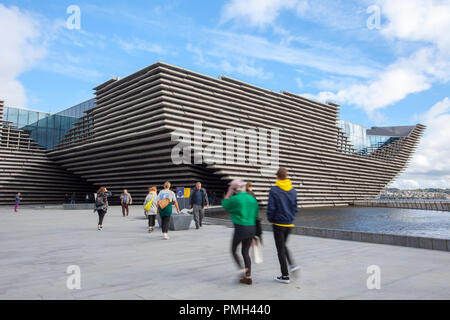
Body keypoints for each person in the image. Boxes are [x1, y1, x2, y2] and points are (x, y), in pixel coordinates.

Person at [222, 179, 259, 285]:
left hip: (241, 228)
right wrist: (256, 234)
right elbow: (256, 217)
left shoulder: (235, 198)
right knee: (245, 252)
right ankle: (248, 277)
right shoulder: (252, 199)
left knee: (233, 250)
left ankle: (241, 270)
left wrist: (229, 192)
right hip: (251, 228)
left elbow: (225, 204)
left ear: (235, 189)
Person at [267, 167, 300, 284]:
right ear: (286, 176)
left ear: (277, 177)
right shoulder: (293, 190)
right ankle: (292, 265)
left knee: (280, 249)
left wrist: (270, 219)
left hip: (278, 224)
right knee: (283, 245)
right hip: (289, 223)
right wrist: (291, 217)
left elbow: (271, 208)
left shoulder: (274, 190)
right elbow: (295, 208)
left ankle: (285, 275)